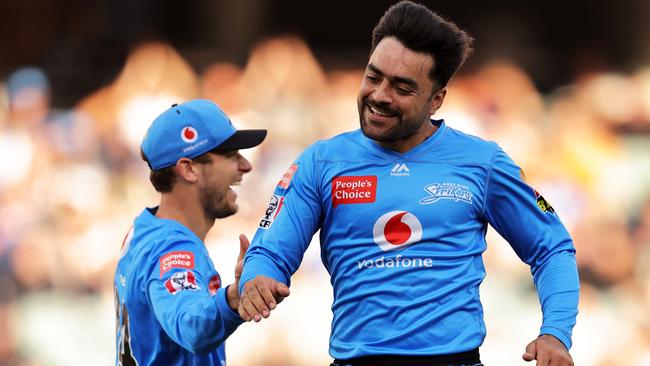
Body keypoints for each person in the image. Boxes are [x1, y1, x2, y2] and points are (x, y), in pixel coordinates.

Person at [238, 2, 579, 366]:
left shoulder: (483, 162)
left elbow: (552, 245)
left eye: (402, 87)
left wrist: (555, 333)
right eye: (373, 77)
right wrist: (258, 279)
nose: (380, 95)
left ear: (436, 100)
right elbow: (270, 252)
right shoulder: (320, 162)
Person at [113, 99, 267, 365]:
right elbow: (191, 327)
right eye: (231, 155)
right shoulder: (173, 248)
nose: (245, 166)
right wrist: (233, 297)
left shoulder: (144, 228)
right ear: (188, 169)